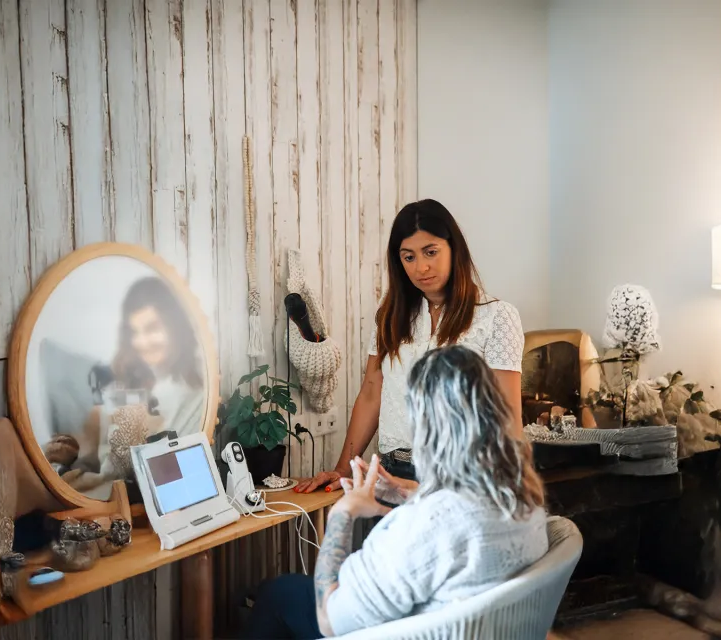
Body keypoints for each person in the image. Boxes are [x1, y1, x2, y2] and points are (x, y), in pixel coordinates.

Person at [245, 346, 548, 639]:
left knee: (278, 593)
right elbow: (458, 517)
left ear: (425, 428)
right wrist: (410, 493)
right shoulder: (525, 500)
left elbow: (328, 619)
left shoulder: (420, 529)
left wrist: (343, 513)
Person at [296, 199, 525, 493]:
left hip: (460, 480)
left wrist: (504, 496)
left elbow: (506, 418)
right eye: (409, 257)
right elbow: (371, 392)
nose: (421, 267)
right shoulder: (390, 313)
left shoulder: (496, 316)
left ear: (454, 248)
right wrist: (343, 470)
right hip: (391, 474)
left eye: (431, 252)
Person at [63, 276, 206, 493]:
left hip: (130, 490)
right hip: (100, 478)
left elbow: (147, 472)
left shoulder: (188, 390)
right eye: (135, 332)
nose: (142, 342)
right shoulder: (132, 379)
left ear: (174, 326)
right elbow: (99, 454)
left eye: (152, 328)